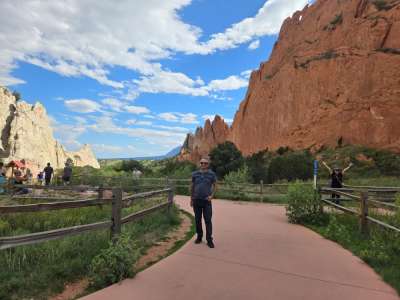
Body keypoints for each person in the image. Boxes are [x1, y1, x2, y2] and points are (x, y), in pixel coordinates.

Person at [190, 157, 217, 248]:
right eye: (201, 163)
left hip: (206, 201)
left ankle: (209, 239)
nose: (203, 165)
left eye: (205, 163)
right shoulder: (195, 174)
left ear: (208, 164)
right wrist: (191, 199)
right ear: (199, 164)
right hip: (196, 200)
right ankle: (199, 237)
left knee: (208, 220)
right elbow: (192, 186)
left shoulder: (212, 174)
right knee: (197, 220)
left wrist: (212, 196)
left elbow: (215, 185)